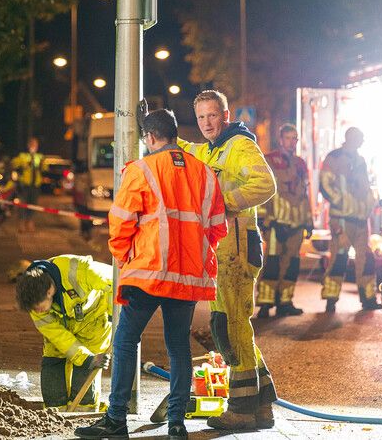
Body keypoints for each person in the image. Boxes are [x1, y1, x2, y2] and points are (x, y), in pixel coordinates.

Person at [75, 109, 227, 440]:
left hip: (148, 275)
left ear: (150, 138)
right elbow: (217, 229)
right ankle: (176, 424)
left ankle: (116, 420)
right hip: (187, 278)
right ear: (174, 135)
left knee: (126, 340)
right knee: (178, 347)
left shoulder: (142, 170)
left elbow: (121, 222)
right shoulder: (204, 173)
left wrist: (123, 258)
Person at [178, 90, 278, 431]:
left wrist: (223, 203)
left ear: (225, 114)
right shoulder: (211, 148)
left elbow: (266, 184)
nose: (206, 123)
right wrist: (152, 128)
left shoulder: (239, 145)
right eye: (201, 117)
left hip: (237, 245)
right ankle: (261, 406)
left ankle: (242, 409)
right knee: (235, 325)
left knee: (229, 326)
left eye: (212, 115)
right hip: (225, 247)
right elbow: (184, 149)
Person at [15, 254, 113, 411]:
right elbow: (58, 337)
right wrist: (84, 358)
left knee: (87, 370)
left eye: (39, 307)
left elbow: (115, 281)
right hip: (62, 323)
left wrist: (113, 314)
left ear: (49, 291)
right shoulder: (33, 298)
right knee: (53, 364)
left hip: (93, 322)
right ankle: (56, 410)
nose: (37, 311)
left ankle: (84, 410)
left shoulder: (80, 270)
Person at [319, 126, 380, 312]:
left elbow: (365, 187)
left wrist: (371, 204)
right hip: (342, 220)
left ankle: (368, 299)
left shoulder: (360, 160)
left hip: (361, 220)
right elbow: (324, 184)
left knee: (366, 259)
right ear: (351, 138)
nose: (362, 142)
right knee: (339, 258)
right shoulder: (334, 157)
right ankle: (331, 300)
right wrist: (340, 202)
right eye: (360, 138)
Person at [257, 123, 314, 318]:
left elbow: (305, 194)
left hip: (297, 223)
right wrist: (264, 219)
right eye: (289, 138)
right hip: (275, 222)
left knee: (292, 264)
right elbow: (263, 192)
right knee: (272, 263)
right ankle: (265, 303)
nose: (292, 142)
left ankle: (285, 301)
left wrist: (309, 221)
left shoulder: (300, 163)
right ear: (280, 139)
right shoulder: (269, 160)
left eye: (295, 138)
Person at [11, 136, 43, 232]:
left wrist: (43, 164)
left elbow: (45, 168)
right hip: (25, 185)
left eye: (36, 145)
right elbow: (14, 163)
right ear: (28, 146)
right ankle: (21, 223)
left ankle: (29, 222)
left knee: (33, 204)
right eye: (32, 144)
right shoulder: (23, 156)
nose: (34, 146)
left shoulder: (39, 157)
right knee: (23, 204)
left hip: (35, 185)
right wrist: (24, 163)